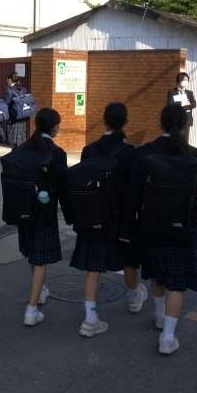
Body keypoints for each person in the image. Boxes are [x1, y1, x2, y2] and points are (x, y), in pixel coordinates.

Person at [126, 104, 197, 356]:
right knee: (177, 282)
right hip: (184, 228)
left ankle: (159, 316)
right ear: (185, 125)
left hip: (152, 225)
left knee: (157, 273)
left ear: (160, 123)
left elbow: (134, 193)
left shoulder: (145, 154)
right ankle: (168, 336)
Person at [70, 102, 147, 338]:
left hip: (92, 216)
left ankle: (90, 319)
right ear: (126, 122)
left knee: (92, 267)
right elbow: (136, 191)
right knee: (129, 261)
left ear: (104, 121)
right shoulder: (131, 153)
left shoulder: (89, 150)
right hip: (121, 218)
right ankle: (134, 298)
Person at [13, 107, 71, 327]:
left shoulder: (23, 148)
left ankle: (41, 291)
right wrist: (70, 214)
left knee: (31, 253)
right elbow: (63, 187)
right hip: (44, 212)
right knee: (40, 260)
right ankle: (31, 309)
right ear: (54, 127)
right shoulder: (56, 153)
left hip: (22, 209)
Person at [4, 72, 27, 148]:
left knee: (13, 142)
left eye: (7, 79)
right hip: (23, 118)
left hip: (13, 119)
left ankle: (15, 154)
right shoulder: (23, 89)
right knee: (21, 141)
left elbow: (6, 105)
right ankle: (20, 153)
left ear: (10, 80)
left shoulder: (9, 91)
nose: (7, 81)